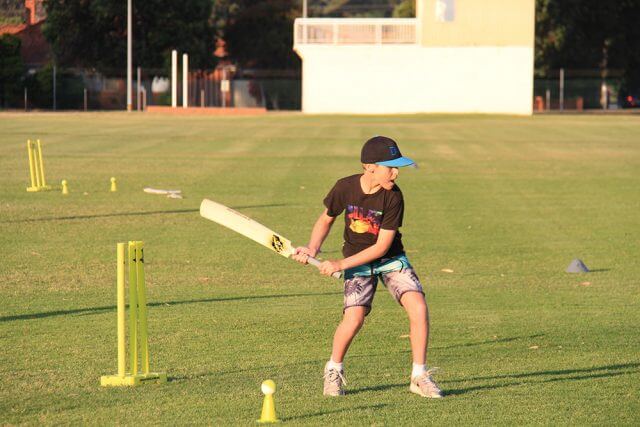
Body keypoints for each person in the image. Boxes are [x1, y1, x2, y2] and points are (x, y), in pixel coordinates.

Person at [292, 136, 442, 398]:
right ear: (370, 167)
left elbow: (382, 247)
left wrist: (339, 263)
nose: (395, 172)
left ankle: (419, 376)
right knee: (354, 318)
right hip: (357, 261)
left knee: (418, 306)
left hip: (390, 259)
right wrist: (312, 249)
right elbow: (326, 220)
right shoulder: (345, 188)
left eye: (397, 167)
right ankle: (333, 370)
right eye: (390, 167)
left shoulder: (393, 196)